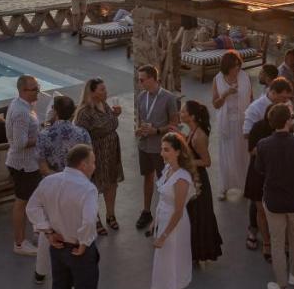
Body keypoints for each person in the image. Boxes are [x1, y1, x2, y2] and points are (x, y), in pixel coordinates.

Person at [27, 144, 110, 289]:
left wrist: (47, 230)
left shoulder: (49, 181)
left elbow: (32, 207)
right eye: (92, 162)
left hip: (58, 246)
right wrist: (83, 243)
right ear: (83, 165)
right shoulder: (87, 188)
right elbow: (89, 219)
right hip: (79, 251)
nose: (94, 165)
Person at [254, 103, 294, 289]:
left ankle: (282, 287)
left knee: (277, 243)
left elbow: (260, 169)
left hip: (273, 200)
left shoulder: (263, 144)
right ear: (289, 120)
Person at [243, 77, 293, 256]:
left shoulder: (286, 107)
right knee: (258, 206)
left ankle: (280, 241)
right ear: (273, 94)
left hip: (276, 171)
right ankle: (256, 233)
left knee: (277, 209)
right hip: (260, 168)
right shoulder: (255, 109)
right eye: (283, 99)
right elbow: (248, 139)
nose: (286, 102)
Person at [150, 132, 195, 289]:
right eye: (162, 148)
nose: (162, 153)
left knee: (167, 266)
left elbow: (178, 211)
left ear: (178, 151)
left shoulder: (182, 178)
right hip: (164, 222)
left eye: (167, 149)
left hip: (174, 228)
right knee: (166, 265)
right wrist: (155, 222)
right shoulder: (168, 169)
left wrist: (163, 236)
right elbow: (163, 201)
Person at [74, 77, 124, 233]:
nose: (106, 91)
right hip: (96, 153)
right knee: (94, 187)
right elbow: (81, 137)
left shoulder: (105, 105)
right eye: (102, 89)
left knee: (111, 182)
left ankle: (111, 215)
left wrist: (116, 115)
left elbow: (111, 124)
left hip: (111, 151)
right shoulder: (84, 112)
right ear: (92, 92)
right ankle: (94, 219)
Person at [37, 95, 94, 230]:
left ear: (55, 111)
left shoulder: (43, 135)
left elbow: (43, 168)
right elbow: (90, 165)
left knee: (56, 227)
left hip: (54, 188)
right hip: (77, 187)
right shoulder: (83, 133)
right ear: (73, 112)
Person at [134, 65, 178, 236]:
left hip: (161, 148)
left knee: (164, 182)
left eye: (142, 79)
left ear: (153, 79)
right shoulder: (141, 97)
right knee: (147, 178)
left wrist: (157, 131)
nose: (140, 82)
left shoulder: (168, 98)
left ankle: (163, 215)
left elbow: (174, 125)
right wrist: (139, 130)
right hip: (144, 145)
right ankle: (146, 211)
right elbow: (141, 120)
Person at [182, 100, 223, 264]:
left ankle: (197, 254)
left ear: (192, 117)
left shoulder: (198, 137)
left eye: (183, 111)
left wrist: (185, 162)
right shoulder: (192, 131)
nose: (181, 113)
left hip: (199, 182)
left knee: (198, 217)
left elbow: (206, 161)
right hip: (194, 178)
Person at [6, 75, 43, 256]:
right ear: (23, 91)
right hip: (23, 165)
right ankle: (19, 243)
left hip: (28, 163)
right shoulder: (21, 112)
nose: (38, 91)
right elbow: (19, 143)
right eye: (35, 89)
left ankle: (38, 231)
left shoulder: (23, 105)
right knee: (21, 203)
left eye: (38, 87)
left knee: (35, 199)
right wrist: (41, 138)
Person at [210, 49, 252, 202]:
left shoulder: (245, 77)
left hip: (243, 121)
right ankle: (225, 187)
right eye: (235, 66)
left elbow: (251, 99)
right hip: (226, 122)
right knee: (226, 156)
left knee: (242, 155)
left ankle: (244, 186)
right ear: (227, 67)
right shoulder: (218, 79)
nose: (237, 69)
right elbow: (215, 104)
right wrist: (226, 94)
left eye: (239, 65)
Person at [242, 63, 281, 134]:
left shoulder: (271, 94)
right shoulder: (267, 89)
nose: (258, 76)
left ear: (267, 78)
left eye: (261, 74)